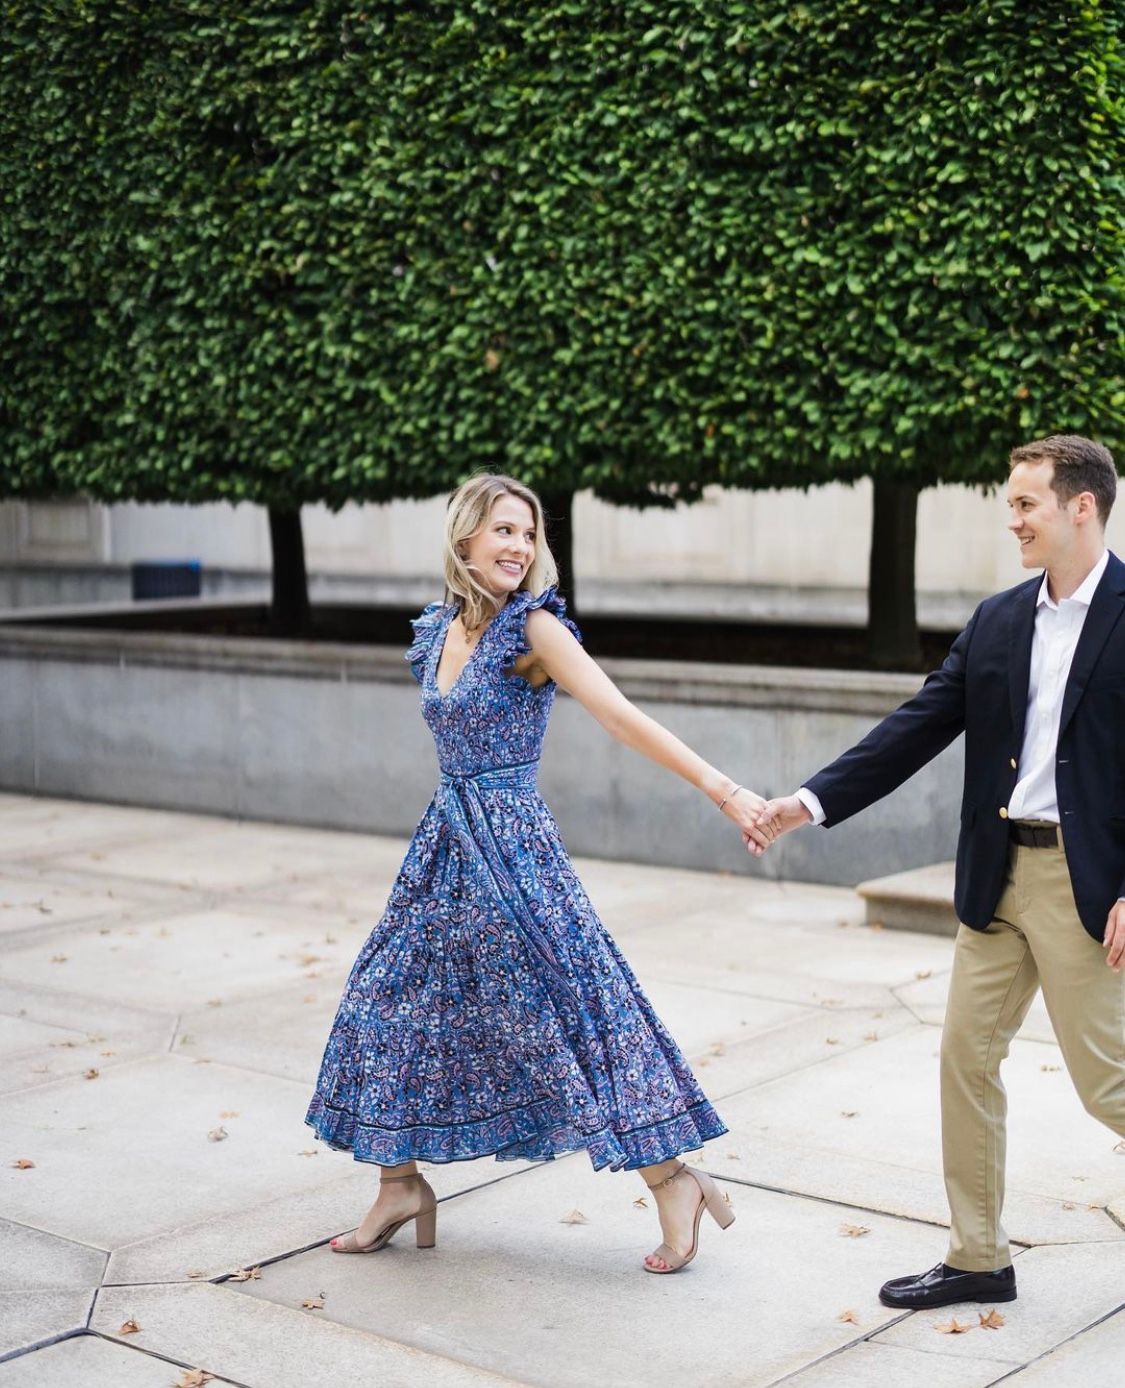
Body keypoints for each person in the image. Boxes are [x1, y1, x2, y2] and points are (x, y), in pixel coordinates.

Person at [306, 473, 769, 1274]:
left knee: (571, 1012)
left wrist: (723, 790)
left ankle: (672, 1179)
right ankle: (397, 1186)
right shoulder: (437, 629)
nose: (519, 547)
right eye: (503, 532)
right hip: (444, 848)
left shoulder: (535, 630)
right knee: (387, 1007)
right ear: (464, 540)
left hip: (516, 851)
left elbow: (620, 715)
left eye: (528, 534)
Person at [753, 434, 1125, 1308]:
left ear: (1082, 506)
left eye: (1026, 504)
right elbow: (916, 725)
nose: (1012, 521)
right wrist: (804, 803)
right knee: (964, 1059)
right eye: (1010, 505)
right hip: (997, 875)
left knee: (1107, 1084)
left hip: (1089, 883)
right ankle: (976, 1256)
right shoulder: (999, 619)